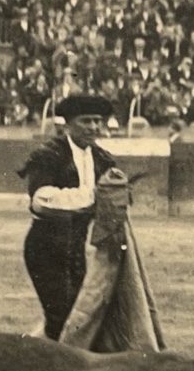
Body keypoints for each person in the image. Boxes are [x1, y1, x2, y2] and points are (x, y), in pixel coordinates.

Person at [17, 95, 118, 341]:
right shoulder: (49, 154)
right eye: (87, 121)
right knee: (60, 316)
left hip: (76, 247)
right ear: (68, 124)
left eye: (98, 121)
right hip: (45, 246)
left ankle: (35, 353)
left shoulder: (102, 159)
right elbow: (40, 200)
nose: (94, 127)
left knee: (75, 314)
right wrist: (91, 198)